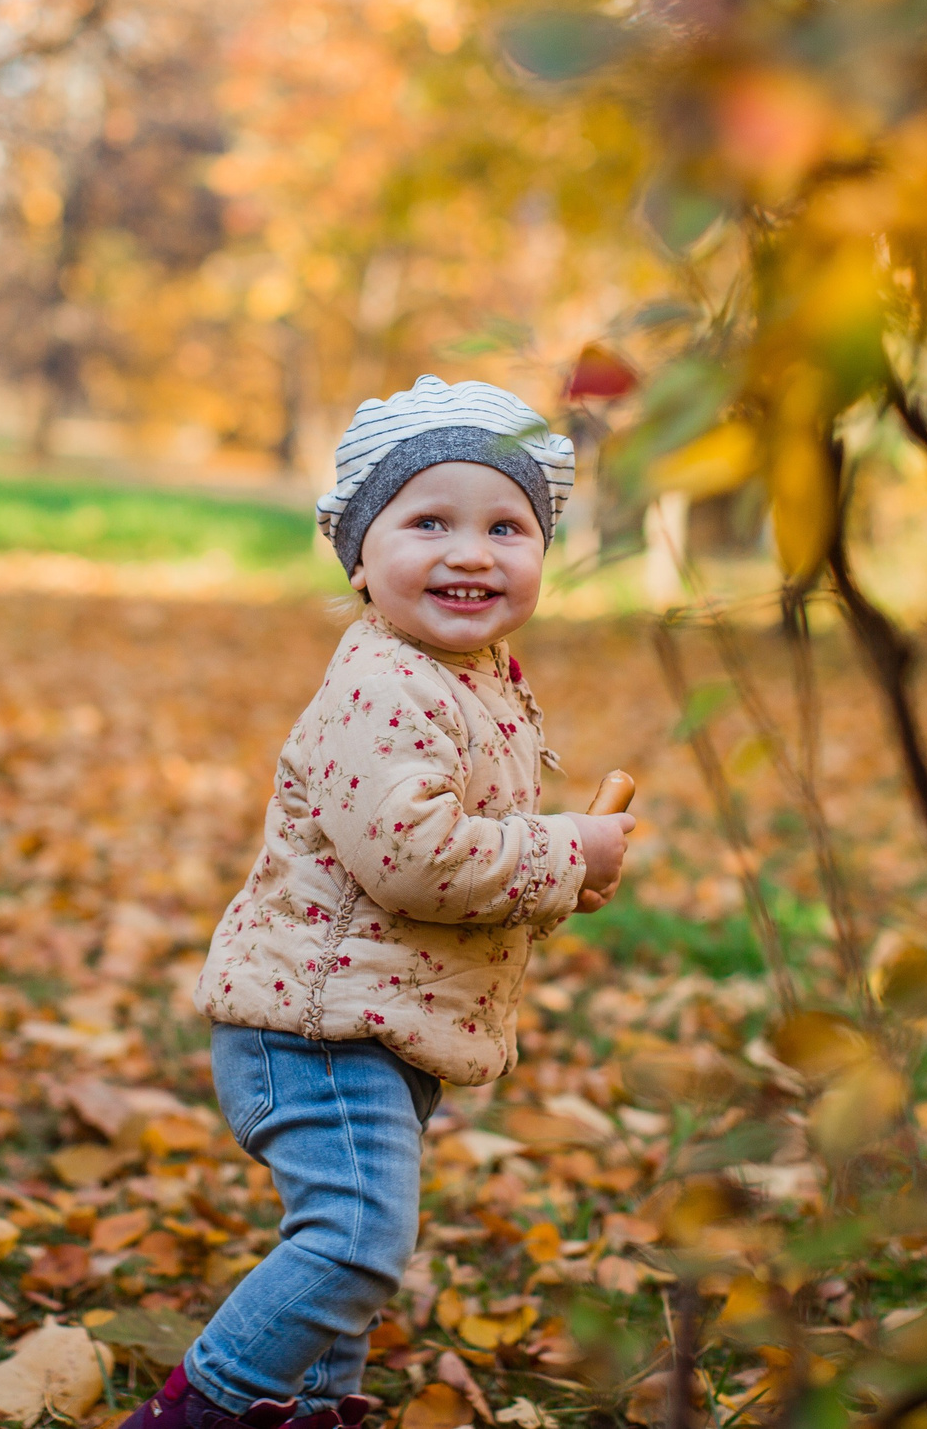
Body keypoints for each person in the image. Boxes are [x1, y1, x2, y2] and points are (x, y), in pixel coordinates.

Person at [116, 376, 636, 1429]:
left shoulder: (471, 674)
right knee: (354, 1239)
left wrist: (554, 870)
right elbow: (412, 860)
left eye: (506, 526)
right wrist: (556, 850)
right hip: (312, 1027)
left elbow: (455, 858)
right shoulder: (383, 684)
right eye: (428, 521)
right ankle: (197, 1413)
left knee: (350, 1245)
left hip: (373, 1015)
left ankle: (308, 1410)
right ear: (358, 552)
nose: (471, 552)